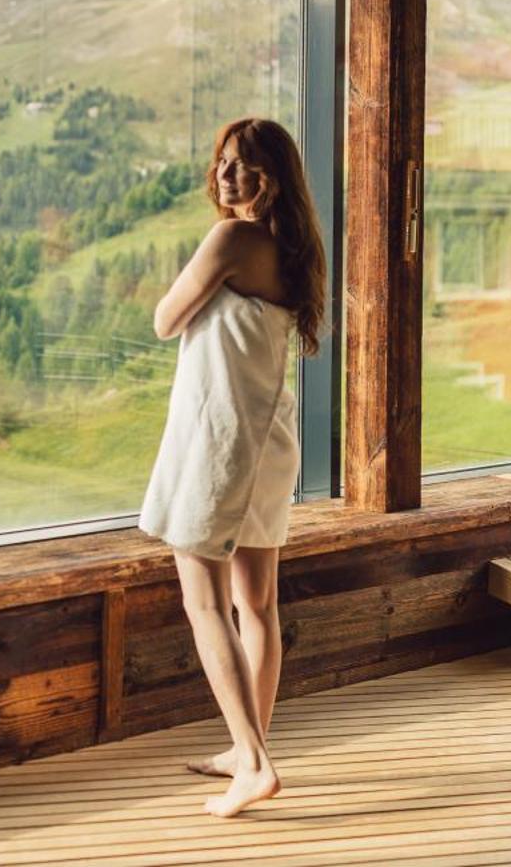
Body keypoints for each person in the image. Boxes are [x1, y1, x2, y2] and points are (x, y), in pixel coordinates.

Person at [137, 117, 328, 818]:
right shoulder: (293, 250)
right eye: (221, 162)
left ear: (270, 179)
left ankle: (251, 761)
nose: (225, 175)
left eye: (241, 166)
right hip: (268, 444)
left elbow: (163, 319)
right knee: (257, 604)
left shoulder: (231, 239)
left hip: (221, 448)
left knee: (205, 602)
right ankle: (248, 745)